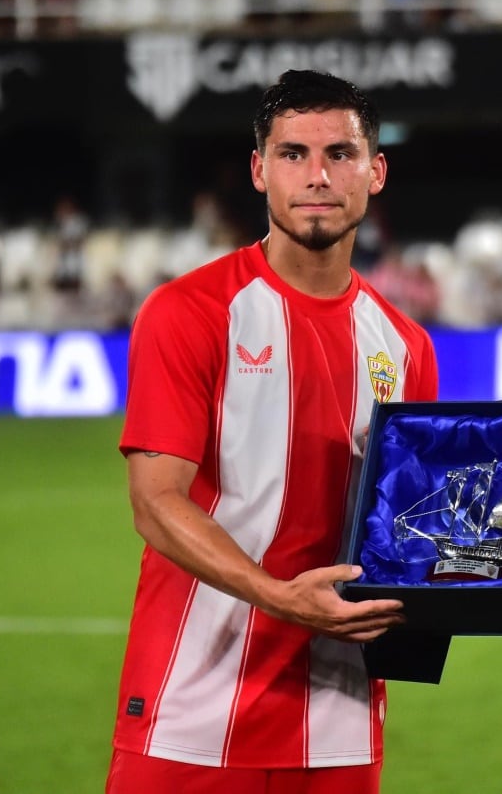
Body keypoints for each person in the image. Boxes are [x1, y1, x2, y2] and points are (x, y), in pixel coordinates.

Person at [105, 70, 439, 794]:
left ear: (375, 171)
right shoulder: (189, 313)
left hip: (339, 718)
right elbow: (155, 501)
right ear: (259, 170)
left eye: (340, 154)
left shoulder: (406, 346)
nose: (317, 176)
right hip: (188, 712)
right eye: (292, 154)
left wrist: (499, 584)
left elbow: (407, 530)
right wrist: (278, 594)